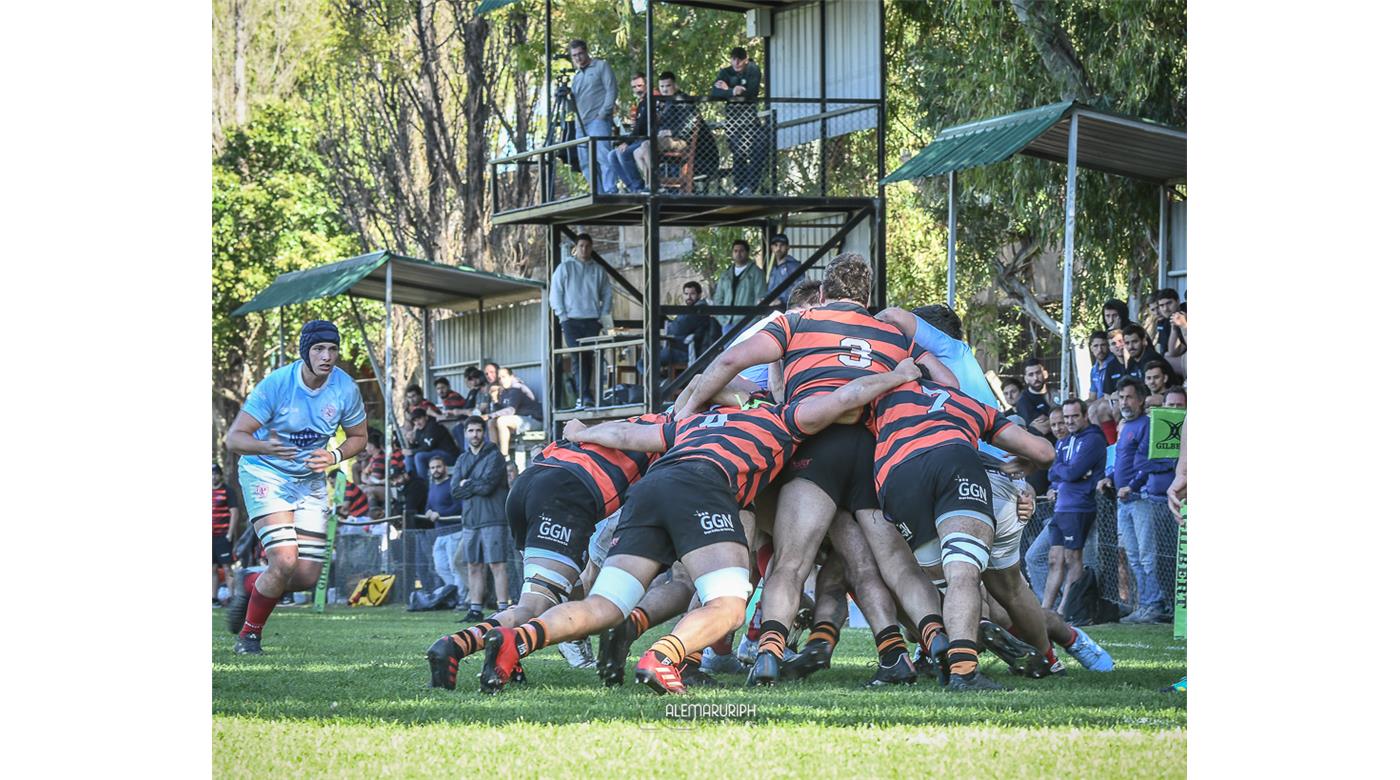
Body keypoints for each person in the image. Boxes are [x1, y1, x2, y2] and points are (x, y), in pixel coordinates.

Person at [475, 358, 925, 695]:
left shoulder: (687, 423)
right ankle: (663, 658)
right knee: (728, 605)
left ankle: (518, 639)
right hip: (705, 489)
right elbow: (847, 398)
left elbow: (628, 436)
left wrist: (582, 432)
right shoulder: (778, 417)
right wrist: (900, 374)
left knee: (608, 603)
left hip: (650, 491)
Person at [671, 255, 956, 688]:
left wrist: (688, 409)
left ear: (822, 294)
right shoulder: (892, 332)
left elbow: (729, 363)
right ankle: (929, 645)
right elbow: (946, 384)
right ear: (867, 297)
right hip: (873, 452)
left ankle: (768, 654)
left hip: (814, 450)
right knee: (886, 564)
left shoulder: (797, 322)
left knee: (790, 562)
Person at [426, 409, 669, 689]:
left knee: (544, 592)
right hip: (566, 491)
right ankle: (455, 645)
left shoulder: (635, 420)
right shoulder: (668, 430)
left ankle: (506, 654)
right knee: (538, 604)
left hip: (532, 483)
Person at [224, 320, 369, 655]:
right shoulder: (276, 385)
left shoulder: (345, 388)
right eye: (319, 348)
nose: (327, 356)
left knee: (305, 576)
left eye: (332, 349)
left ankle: (250, 581)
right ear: (305, 351)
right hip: (267, 475)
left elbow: (359, 437)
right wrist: (267, 447)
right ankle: (249, 636)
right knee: (285, 561)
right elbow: (235, 438)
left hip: (310, 481)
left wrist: (333, 455)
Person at [1040, 398, 1107, 616]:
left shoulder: (1093, 439)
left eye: (1074, 416)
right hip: (1061, 506)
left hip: (1079, 506)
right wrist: (1065, 470)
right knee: (1054, 559)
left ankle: (1067, 609)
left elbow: (1072, 473)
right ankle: (1045, 610)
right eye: (1066, 417)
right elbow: (1054, 473)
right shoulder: (1064, 441)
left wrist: (1065, 470)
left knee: (1072, 558)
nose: (1069, 421)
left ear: (1085, 416)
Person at [1126, 386, 1186, 624]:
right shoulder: (1154, 431)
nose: (1173, 410)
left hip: (1183, 503)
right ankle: (1170, 606)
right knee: (1162, 559)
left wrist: (1172, 465)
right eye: (1169, 406)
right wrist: (1170, 465)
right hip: (1157, 502)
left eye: (1179, 406)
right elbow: (1143, 462)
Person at [1098, 378, 1153, 621]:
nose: (1124, 402)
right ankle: (1144, 605)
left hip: (1140, 498)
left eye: (1129, 397)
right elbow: (1122, 461)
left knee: (1146, 555)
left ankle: (1154, 605)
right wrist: (1109, 477)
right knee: (1132, 555)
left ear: (1141, 400)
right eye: (1121, 398)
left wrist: (1132, 485)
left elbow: (1149, 461)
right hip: (1124, 501)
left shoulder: (1147, 425)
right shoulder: (1124, 426)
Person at [449, 417, 512, 622]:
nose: (474, 434)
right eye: (471, 431)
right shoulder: (462, 459)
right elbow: (454, 491)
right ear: (466, 434)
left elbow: (487, 487)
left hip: (493, 518)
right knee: (473, 565)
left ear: (483, 432)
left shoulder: (495, 457)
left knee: (497, 564)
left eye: (478, 430)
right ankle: (475, 609)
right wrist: (471, 485)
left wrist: (467, 484)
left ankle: (503, 608)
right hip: (470, 520)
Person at [550, 233, 613, 408]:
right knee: (577, 356)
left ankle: (587, 395)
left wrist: (603, 315)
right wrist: (562, 315)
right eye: (581, 246)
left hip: (592, 320)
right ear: (575, 248)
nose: (584, 249)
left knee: (589, 357)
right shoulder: (565, 268)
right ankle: (582, 395)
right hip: (571, 320)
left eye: (587, 246)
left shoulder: (598, 270)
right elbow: (555, 293)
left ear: (591, 248)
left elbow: (607, 293)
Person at [648, 71, 720, 188]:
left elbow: (690, 123)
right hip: (674, 146)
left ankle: (653, 184)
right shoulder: (665, 103)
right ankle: (649, 183)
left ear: (675, 85)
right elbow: (661, 126)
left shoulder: (683, 100)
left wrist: (672, 133)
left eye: (668, 86)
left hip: (698, 155)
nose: (665, 90)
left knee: (649, 145)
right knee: (641, 148)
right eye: (662, 86)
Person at [711, 46, 766, 195]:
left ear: (746, 59)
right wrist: (732, 91)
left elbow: (751, 92)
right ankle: (741, 186)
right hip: (734, 120)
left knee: (759, 146)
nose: (736, 62)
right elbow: (715, 93)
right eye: (734, 59)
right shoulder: (725, 72)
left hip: (750, 118)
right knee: (738, 151)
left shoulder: (752, 69)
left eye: (740, 59)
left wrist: (728, 89)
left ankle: (751, 186)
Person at [567, 38, 618, 193]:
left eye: (580, 54)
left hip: (598, 120)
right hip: (580, 123)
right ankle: (598, 192)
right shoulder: (576, 77)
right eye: (574, 55)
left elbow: (612, 90)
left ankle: (610, 190)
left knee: (603, 156)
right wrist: (564, 96)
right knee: (585, 161)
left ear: (586, 51)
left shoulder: (601, 66)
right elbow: (572, 106)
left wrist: (603, 114)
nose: (578, 58)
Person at [423, 455, 466, 598]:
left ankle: (461, 597)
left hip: (454, 532)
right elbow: (429, 505)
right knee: (440, 567)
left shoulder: (452, 485)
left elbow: (459, 507)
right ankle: (452, 594)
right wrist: (428, 511)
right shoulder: (433, 486)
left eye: (438, 466)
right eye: (433, 467)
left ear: (445, 468)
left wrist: (439, 513)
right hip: (439, 533)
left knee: (455, 567)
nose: (436, 470)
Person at [609, 72, 655, 193]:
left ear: (646, 84)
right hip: (638, 138)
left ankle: (639, 186)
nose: (637, 89)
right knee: (612, 155)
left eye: (640, 85)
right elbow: (637, 128)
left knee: (623, 153)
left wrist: (627, 142)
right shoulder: (640, 103)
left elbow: (642, 127)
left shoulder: (651, 100)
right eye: (634, 87)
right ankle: (632, 187)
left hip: (648, 139)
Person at [710, 239, 767, 335]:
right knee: (729, 350)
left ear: (747, 253)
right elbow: (718, 298)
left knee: (747, 350)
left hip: (747, 323)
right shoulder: (726, 274)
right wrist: (721, 319)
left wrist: (753, 321)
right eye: (735, 251)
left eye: (741, 251)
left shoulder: (756, 273)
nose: (738, 254)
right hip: (727, 323)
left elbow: (760, 298)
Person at [487, 368, 543, 457]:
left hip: (533, 420)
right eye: (499, 378)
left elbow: (510, 410)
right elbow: (501, 410)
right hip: (518, 420)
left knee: (501, 421)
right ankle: (494, 454)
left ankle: (504, 457)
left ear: (511, 376)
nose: (501, 380)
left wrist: (489, 415)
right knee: (491, 422)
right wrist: (495, 400)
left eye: (504, 377)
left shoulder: (517, 388)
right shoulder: (505, 391)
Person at [657, 281, 714, 368]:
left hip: (686, 351)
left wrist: (669, 326)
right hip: (681, 348)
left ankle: (661, 381)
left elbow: (677, 329)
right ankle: (662, 380)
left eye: (692, 294)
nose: (689, 297)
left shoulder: (698, 310)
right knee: (649, 358)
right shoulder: (690, 310)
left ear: (699, 295)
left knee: (645, 362)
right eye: (686, 294)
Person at [406, 408, 461, 479]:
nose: (417, 423)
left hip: (449, 455)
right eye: (415, 421)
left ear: (426, 417)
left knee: (419, 456)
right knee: (409, 456)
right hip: (434, 454)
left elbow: (428, 447)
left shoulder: (433, 426)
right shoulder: (419, 430)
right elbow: (418, 447)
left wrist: (411, 451)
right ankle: (411, 481)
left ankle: (422, 484)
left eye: (419, 419)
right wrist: (411, 442)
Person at [213, 464, 240, 607]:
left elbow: (234, 513)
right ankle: (214, 599)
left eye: (215, 474)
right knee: (212, 569)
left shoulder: (227, 491)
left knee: (227, 568)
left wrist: (230, 534)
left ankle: (232, 597)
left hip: (223, 536)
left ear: (220, 475)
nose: (213, 477)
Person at [765, 233, 806, 309]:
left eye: (782, 245)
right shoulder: (774, 268)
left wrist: (782, 301)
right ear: (772, 248)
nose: (778, 248)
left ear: (788, 247)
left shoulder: (794, 266)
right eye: (776, 245)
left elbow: (800, 290)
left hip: (788, 309)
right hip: (774, 309)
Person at [1015, 358, 1054, 426]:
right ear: (1026, 379)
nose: (1035, 378)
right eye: (1031, 375)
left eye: (1038, 373)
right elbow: (1040, 427)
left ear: (1045, 374)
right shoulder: (1023, 401)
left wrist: (1048, 419)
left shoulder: (1057, 393)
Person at [1087, 330, 1126, 399]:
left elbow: (1108, 396)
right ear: (1091, 348)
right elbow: (1092, 395)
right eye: (1096, 346)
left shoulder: (1115, 364)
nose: (1100, 350)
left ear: (1108, 346)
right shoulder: (1094, 370)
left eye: (1103, 345)